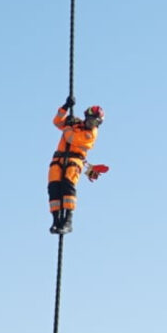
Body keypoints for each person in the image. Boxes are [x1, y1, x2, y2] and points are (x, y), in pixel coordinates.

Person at [47, 97, 106, 234]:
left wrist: (68, 125)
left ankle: (68, 221)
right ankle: (56, 220)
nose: (93, 124)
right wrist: (65, 107)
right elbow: (57, 122)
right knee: (54, 188)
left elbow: (70, 138)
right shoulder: (76, 124)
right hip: (58, 160)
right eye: (91, 120)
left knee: (68, 186)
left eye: (96, 122)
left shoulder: (90, 134)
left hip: (74, 162)